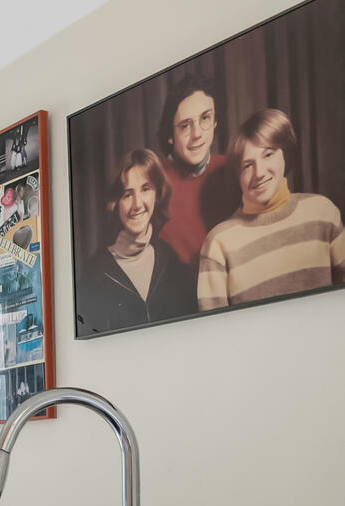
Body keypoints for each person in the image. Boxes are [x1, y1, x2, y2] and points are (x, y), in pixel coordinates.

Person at [198, 108, 345, 309]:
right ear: (237, 176)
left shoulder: (322, 212)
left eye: (268, 154)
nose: (259, 172)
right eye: (247, 165)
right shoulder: (219, 243)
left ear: (285, 154)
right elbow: (213, 331)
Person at [76, 148, 197, 334]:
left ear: (157, 195)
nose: (137, 204)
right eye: (127, 194)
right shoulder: (93, 274)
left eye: (145, 189)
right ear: (115, 203)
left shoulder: (172, 262)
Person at [157, 76, 237, 267]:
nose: (197, 133)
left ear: (216, 121)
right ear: (170, 135)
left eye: (205, 118)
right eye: (185, 125)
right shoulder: (152, 180)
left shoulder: (234, 169)